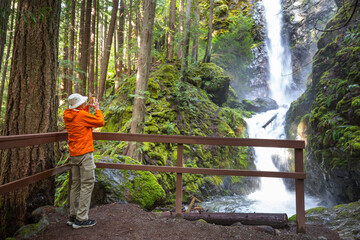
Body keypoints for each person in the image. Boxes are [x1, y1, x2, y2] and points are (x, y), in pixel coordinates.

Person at [63, 93, 104, 229]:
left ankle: (73, 216)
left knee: (75, 185)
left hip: (73, 154)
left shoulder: (67, 115)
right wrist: (97, 109)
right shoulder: (81, 115)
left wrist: (84, 108)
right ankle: (81, 219)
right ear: (79, 105)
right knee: (87, 184)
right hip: (85, 153)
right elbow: (100, 122)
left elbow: (79, 118)